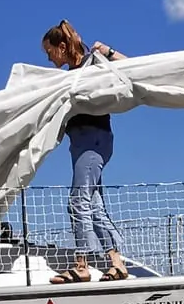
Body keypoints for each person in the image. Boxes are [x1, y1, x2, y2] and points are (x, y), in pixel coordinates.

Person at [43, 20, 131, 282]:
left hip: (93, 139)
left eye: (50, 53)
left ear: (62, 47)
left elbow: (133, 69)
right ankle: (117, 264)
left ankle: (82, 265)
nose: (49, 59)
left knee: (78, 201)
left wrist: (109, 52)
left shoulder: (92, 63)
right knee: (93, 205)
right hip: (83, 143)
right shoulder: (70, 75)